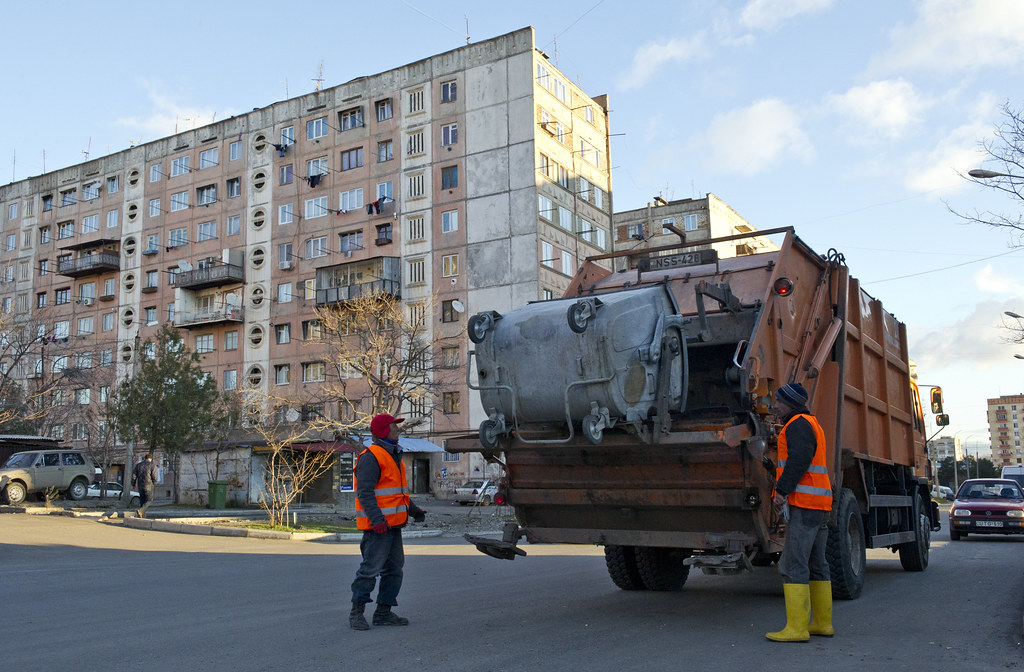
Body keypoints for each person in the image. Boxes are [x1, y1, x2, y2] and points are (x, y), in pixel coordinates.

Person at [766, 382, 834, 642]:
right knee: (817, 563)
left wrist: (782, 490)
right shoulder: (810, 423)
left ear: (791, 403)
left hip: (805, 505)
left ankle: (796, 629)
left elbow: (799, 459)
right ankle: (822, 623)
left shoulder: (797, 425)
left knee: (793, 564)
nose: (775, 406)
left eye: (779, 402)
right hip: (818, 504)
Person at [349, 413, 426, 631]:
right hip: (378, 528)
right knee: (369, 570)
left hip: (393, 525)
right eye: (394, 426)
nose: (398, 429)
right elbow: (365, 494)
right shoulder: (370, 457)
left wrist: (414, 510)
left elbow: (397, 493)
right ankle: (356, 613)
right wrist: (377, 521)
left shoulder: (393, 455)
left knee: (394, 570)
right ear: (384, 431)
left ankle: (383, 613)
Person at [131, 453, 159, 519]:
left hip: (140, 485)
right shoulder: (152, 465)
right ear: (150, 459)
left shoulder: (138, 465)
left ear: (145, 458)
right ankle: (140, 511)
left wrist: (133, 484)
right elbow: (154, 476)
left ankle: (142, 517)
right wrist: (154, 483)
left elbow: (134, 476)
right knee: (149, 500)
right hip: (149, 485)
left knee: (142, 501)